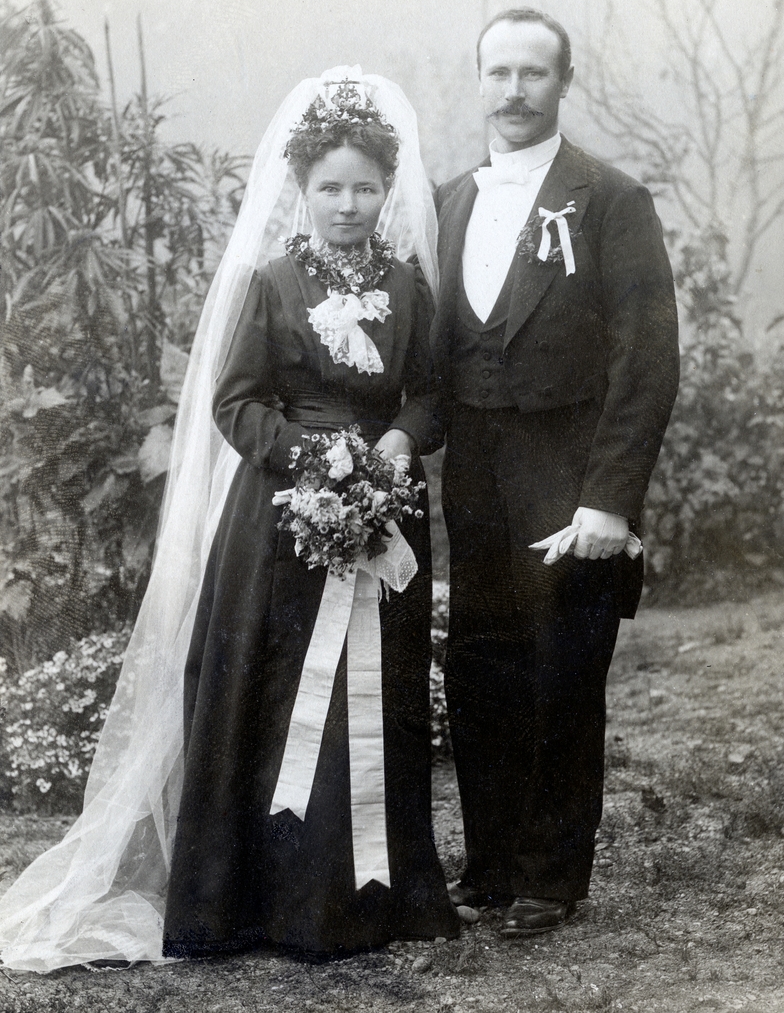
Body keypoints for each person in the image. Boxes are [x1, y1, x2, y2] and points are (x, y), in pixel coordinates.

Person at [0, 69, 459, 971]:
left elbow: (433, 392)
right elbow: (236, 401)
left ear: (387, 191)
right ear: (303, 189)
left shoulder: (408, 287)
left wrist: (397, 444)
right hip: (280, 523)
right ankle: (263, 902)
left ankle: (372, 896)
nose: (348, 205)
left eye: (366, 188)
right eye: (330, 187)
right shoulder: (273, 283)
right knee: (279, 692)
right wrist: (314, 459)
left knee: (372, 695)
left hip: (385, 510)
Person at [431, 9, 679, 937]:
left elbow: (646, 359)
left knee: (563, 669)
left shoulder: (611, 199)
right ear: (479, 81)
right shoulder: (448, 201)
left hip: (570, 473)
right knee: (480, 662)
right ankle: (491, 865)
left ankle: (550, 875)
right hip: (474, 472)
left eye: (533, 73)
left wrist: (609, 500)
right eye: (499, 72)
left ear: (564, 82)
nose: (514, 91)